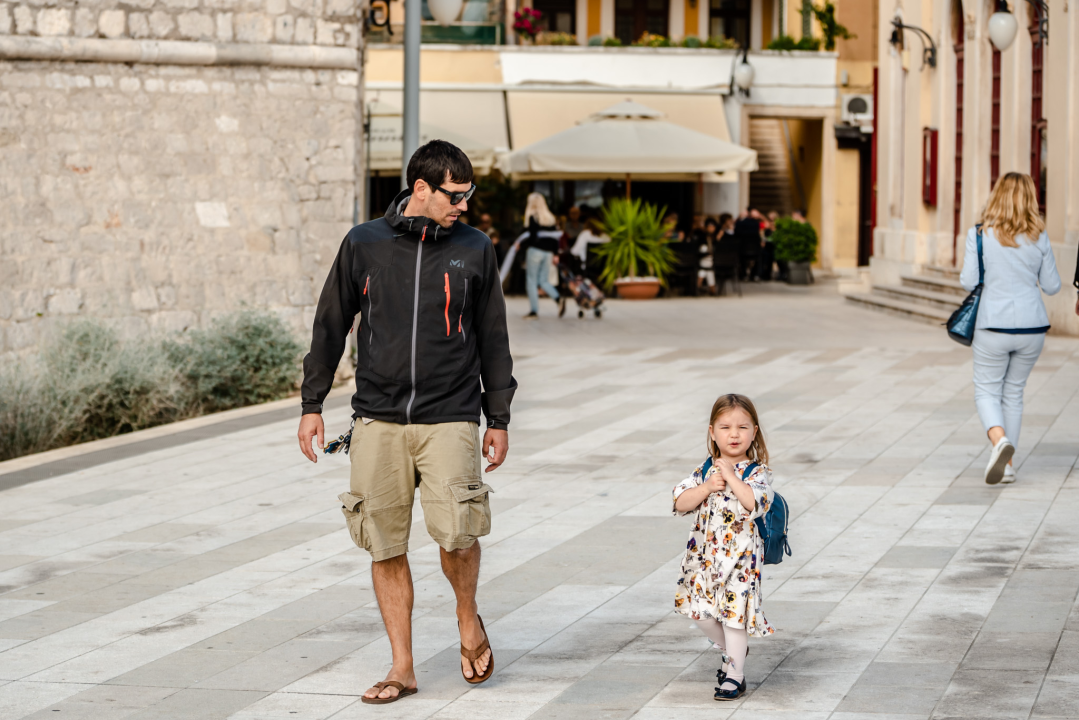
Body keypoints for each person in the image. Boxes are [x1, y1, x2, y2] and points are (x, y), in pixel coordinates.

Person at [297, 140, 516, 702]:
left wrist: (499, 415)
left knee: (458, 533)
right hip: (378, 418)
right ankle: (402, 667)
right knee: (384, 543)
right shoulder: (364, 243)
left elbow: (493, 336)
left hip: (451, 415)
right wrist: (312, 404)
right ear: (421, 189)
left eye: (469, 195)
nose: (464, 205)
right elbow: (331, 323)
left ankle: (468, 619)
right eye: (455, 195)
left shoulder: (476, 248)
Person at [960, 172, 1061, 485]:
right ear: (1030, 199)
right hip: (1032, 327)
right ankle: (1008, 465)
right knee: (1014, 393)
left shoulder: (979, 234)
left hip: (993, 324)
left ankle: (999, 441)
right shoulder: (1040, 236)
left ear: (996, 195)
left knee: (987, 389)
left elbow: (967, 281)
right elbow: (1052, 286)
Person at [673, 393, 775, 701]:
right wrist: (706, 487)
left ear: (754, 432)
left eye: (743, 427)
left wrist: (731, 476)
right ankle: (735, 649)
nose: (734, 434)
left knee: (734, 617)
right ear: (712, 432)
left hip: (742, 560)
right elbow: (680, 502)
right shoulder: (705, 470)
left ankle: (735, 674)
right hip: (705, 559)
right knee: (699, 613)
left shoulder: (757, 472)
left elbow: (755, 503)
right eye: (726, 427)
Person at [517, 192, 562, 319]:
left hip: (535, 252)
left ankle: (534, 311)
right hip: (548, 253)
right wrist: (556, 254)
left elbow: (532, 237)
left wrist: (520, 245)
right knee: (544, 280)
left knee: (532, 281)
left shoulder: (532, 217)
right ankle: (558, 299)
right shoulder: (550, 218)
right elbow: (555, 239)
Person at [697, 217, 719, 295]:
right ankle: (712, 289)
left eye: (713, 226)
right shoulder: (702, 236)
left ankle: (697, 286)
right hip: (703, 259)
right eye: (710, 226)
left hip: (713, 260)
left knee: (705, 268)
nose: (712, 228)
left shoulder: (715, 237)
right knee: (708, 268)